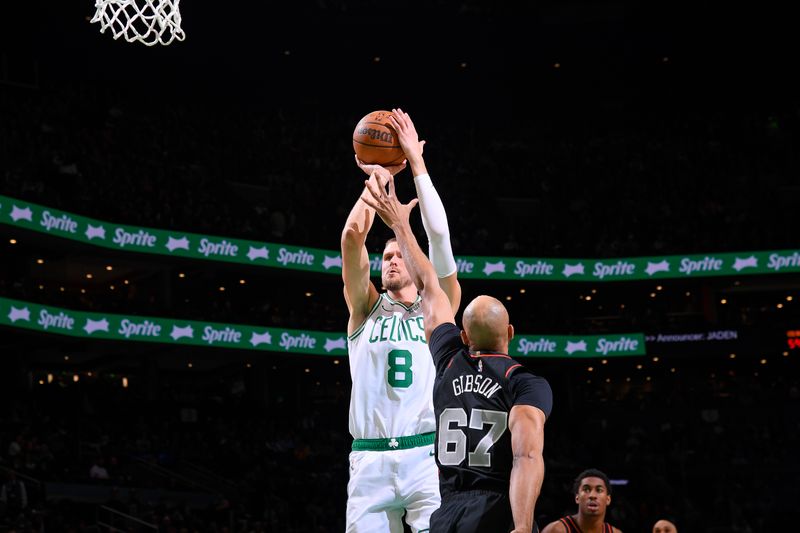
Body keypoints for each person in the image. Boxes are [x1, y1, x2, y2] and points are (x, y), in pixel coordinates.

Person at [362, 174, 552, 533]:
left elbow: (428, 286)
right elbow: (526, 456)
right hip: (495, 507)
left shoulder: (448, 359)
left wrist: (400, 224)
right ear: (510, 333)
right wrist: (524, 527)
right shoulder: (525, 383)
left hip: (447, 511)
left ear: (463, 335)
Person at [341, 108, 461, 532]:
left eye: (397, 255)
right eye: (386, 256)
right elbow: (352, 239)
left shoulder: (439, 305)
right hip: (369, 457)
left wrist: (416, 163)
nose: (390, 260)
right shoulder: (365, 307)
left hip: (426, 454)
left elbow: (439, 239)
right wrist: (377, 176)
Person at [541, 469, 622, 533]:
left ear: (608, 499)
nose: (592, 496)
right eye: (586, 489)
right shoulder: (555, 530)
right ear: (577, 498)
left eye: (599, 490)